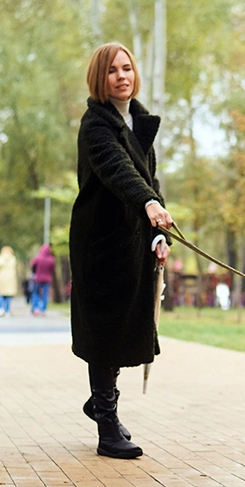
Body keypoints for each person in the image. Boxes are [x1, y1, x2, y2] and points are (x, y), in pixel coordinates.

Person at [69, 42, 172, 459]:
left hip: (134, 242)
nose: (122, 76)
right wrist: (148, 203)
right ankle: (107, 425)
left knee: (127, 327)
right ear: (100, 78)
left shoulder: (139, 120)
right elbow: (117, 169)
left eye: (127, 68)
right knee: (105, 331)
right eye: (112, 71)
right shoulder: (95, 125)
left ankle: (99, 402)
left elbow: (150, 178)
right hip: (100, 243)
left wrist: (158, 233)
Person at [30, 244, 56, 316]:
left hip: (38, 279)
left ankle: (36, 308)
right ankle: (43, 309)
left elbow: (32, 265)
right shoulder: (51, 259)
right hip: (47, 279)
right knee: (45, 295)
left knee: (36, 293)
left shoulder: (38, 258)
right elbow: (53, 270)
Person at [0, 246, 19, 317]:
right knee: (8, 295)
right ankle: (7, 310)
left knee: (1, 293)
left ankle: (1, 309)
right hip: (10, 278)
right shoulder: (13, 258)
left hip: (2, 278)